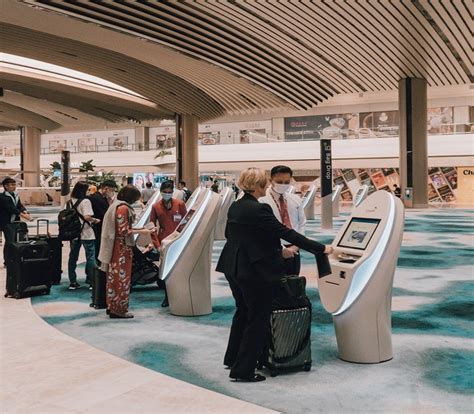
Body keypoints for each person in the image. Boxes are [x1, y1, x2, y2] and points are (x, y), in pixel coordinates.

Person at [216, 168, 333, 383]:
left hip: (233, 267)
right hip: (253, 271)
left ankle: (233, 358)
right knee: (258, 318)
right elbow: (286, 233)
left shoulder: (236, 207)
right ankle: (243, 369)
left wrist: (274, 250)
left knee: (243, 312)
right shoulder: (259, 210)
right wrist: (320, 248)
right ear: (261, 185)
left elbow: (235, 236)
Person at [98, 185, 155, 318]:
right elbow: (123, 231)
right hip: (121, 248)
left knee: (113, 278)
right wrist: (142, 231)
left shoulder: (115, 205)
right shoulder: (123, 208)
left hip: (115, 247)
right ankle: (119, 309)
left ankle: (112, 305)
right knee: (122, 279)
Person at [259, 165, 306, 276]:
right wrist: (282, 249)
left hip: (294, 248)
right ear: (271, 181)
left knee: (293, 281)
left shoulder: (295, 199)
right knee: (275, 283)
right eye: (279, 181)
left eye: (287, 182)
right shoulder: (261, 200)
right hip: (272, 248)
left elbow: (302, 224)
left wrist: (296, 245)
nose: (283, 185)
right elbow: (262, 229)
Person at [67, 181, 101, 290]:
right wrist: (95, 220)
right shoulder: (85, 201)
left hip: (73, 234)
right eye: (87, 190)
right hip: (86, 233)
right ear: (83, 191)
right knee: (91, 257)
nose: (89, 192)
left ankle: (72, 282)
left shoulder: (69, 202)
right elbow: (87, 217)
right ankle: (92, 282)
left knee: (73, 257)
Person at [0, 177, 32, 263]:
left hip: (15, 222)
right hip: (6, 223)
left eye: (15, 184)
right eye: (12, 185)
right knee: (9, 241)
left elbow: (19, 205)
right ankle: (7, 261)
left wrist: (25, 211)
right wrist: (24, 216)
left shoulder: (15, 195)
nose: (14, 186)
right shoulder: (2, 197)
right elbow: (12, 209)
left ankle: (14, 259)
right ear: (6, 186)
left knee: (15, 241)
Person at [149, 180, 187, 248]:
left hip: (177, 239)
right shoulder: (156, 206)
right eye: (165, 192)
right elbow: (152, 227)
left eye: (169, 192)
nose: (167, 194)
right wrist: (157, 245)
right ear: (161, 192)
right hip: (163, 239)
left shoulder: (180, 204)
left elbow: (186, 222)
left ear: (172, 192)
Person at [88, 180, 118, 260]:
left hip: (99, 228)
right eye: (112, 190)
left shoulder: (100, 198)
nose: (112, 193)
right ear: (106, 188)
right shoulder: (98, 199)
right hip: (98, 228)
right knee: (98, 249)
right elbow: (105, 214)